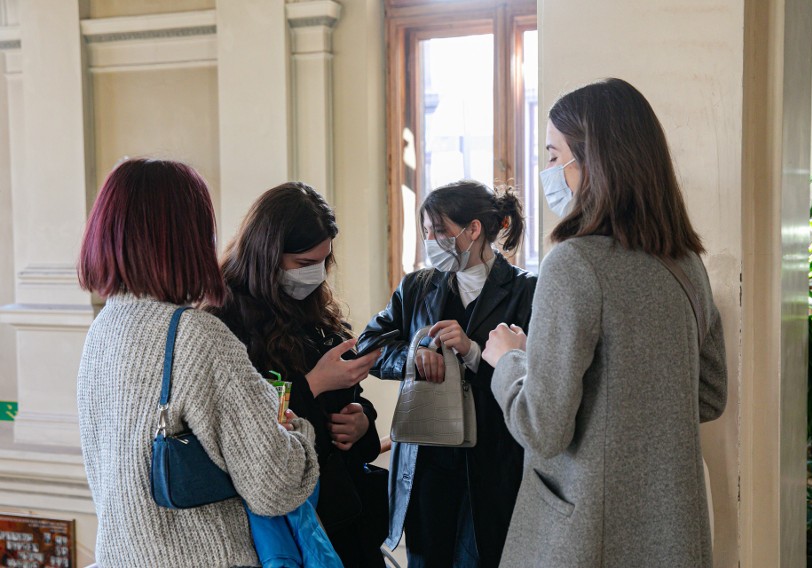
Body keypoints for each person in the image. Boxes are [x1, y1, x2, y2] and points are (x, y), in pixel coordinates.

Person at [482, 78, 728, 568]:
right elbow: (709, 393)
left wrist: (509, 359)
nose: (548, 171)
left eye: (555, 156)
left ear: (591, 163)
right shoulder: (686, 262)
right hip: (671, 529)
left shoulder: (573, 264)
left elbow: (542, 427)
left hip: (586, 535)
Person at [76, 159, 320, 568]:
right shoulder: (198, 337)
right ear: (188, 237)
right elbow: (275, 486)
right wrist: (297, 431)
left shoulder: (102, 330)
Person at [207, 182, 387, 568]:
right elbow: (241, 428)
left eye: (323, 262)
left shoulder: (316, 311)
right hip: (286, 525)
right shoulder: (222, 321)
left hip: (347, 512)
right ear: (266, 254)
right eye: (304, 264)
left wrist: (362, 422)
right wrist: (315, 384)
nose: (316, 275)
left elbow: (350, 402)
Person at [360, 180, 537, 568]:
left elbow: (540, 378)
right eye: (425, 233)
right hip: (427, 462)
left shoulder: (529, 291)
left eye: (438, 232)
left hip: (494, 463)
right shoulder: (417, 287)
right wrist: (414, 354)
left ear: (473, 230)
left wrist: (474, 354)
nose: (430, 243)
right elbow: (367, 346)